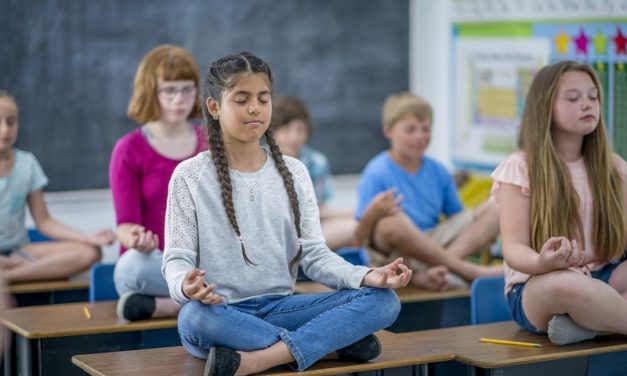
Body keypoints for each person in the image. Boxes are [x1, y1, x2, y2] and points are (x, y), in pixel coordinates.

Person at [162, 52, 412, 376]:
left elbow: (315, 255)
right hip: (220, 314)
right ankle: (329, 346)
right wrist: (185, 285)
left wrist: (365, 276)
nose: (255, 108)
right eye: (241, 99)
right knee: (192, 317)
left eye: (263, 99)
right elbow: (176, 260)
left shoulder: (294, 172)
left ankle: (257, 360)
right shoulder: (189, 176)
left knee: (384, 301)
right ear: (213, 107)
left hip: (281, 308)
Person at [491, 60, 627, 345]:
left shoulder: (614, 167)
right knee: (569, 284)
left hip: (607, 276)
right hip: (539, 285)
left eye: (593, 97)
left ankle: (586, 325)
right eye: (573, 98)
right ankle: (597, 320)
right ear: (545, 107)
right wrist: (543, 261)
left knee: (588, 289)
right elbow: (514, 249)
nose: (588, 104)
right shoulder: (520, 167)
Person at [354, 92, 502, 286]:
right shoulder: (376, 172)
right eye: (411, 129)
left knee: (498, 206)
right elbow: (358, 240)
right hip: (396, 256)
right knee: (390, 224)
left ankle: (436, 269)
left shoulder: (438, 171)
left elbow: (459, 219)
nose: (420, 136)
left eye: (425, 129)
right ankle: (467, 271)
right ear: (389, 131)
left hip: (433, 245)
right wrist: (372, 213)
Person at [109, 45, 208, 321]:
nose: (180, 99)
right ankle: (209, 301)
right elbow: (125, 226)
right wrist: (137, 240)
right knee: (129, 268)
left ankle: (167, 307)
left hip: (205, 261)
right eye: (169, 90)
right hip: (157, 262)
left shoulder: (210, 142)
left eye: (187, 89)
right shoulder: (128, 149)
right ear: (151, 92)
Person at [0, 91, 114, 283]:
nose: (5, 129)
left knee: (90, 252)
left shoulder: (27, 164)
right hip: (16, 258)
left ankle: (8, 275)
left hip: (19, 251)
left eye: (11, 122)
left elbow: (44, 221)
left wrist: (88, 237)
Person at [271, 96, 357, 251]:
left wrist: (352, 214)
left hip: (312, 229)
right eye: (287, 130)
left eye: (300, 130)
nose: (294, 137)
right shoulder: (263, 161)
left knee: (357, 225)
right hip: (277, 233)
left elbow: (319, 209)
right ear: (273, 132)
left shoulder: (317, 162)